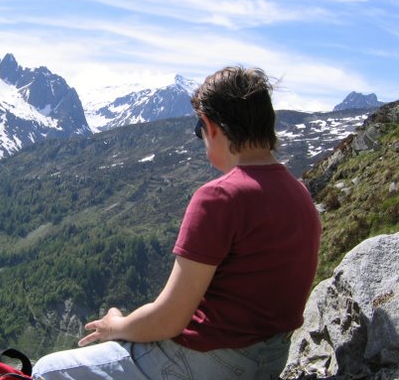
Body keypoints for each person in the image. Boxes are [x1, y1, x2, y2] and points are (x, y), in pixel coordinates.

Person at [32, 66, 321, 380]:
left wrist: (114, 326)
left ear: (211, 126)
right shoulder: (300, 195)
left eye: (200, 129)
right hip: (268, 360)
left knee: (48, 370)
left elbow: (170, 319)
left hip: (206, 361)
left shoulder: (219, 197)